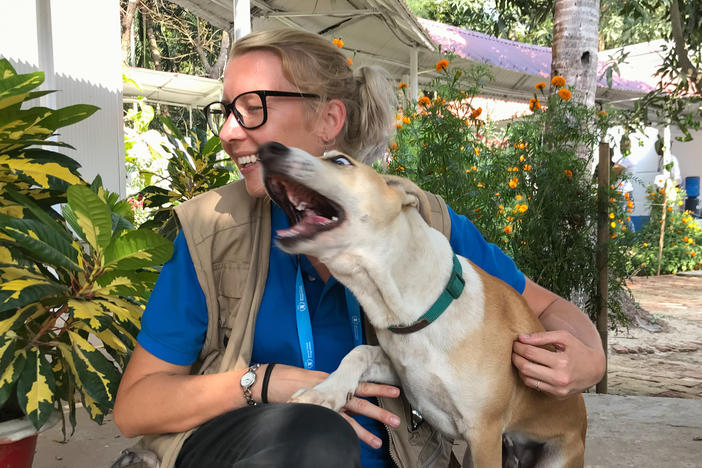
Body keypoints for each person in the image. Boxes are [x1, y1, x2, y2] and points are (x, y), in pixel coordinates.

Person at [113, 29, 605, 468]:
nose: (227, 132)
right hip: (262, 449)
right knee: (313, 438)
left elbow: (547, 308)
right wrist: (263, 383)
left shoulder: (417, 222)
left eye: (252, 107)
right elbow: (136, 408)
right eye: (224, 111)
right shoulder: (211, 232)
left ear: (328, 119)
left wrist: (589, 360)